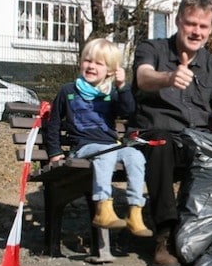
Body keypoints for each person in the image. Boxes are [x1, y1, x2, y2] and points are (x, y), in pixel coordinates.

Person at [130, 0, 212, 266]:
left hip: (194, 139)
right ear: (178, 21)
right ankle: (164, 236)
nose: (196, 31)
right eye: (190, 24)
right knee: (161, 142)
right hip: (153, 134)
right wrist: (168, 77)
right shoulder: (152, 48)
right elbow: (142, 77)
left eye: (203, 26)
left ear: (211, 29)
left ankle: (204, 236)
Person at [46, 38, 151, 237]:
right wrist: (55, 152)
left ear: (110, 71)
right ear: (81, 62)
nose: (91, 66)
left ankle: (135, 211)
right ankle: (103, 209)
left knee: (136, 156)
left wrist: (122, 87)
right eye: (88, 60)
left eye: (98, 63)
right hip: (83, 148)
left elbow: (128, 111)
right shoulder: (68, 91)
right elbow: (53, 123)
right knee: (106, 153)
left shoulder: (111, 93)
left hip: (110, 145)